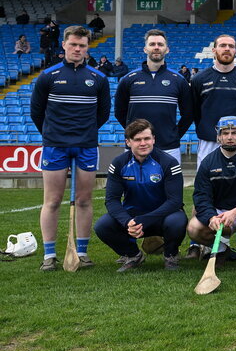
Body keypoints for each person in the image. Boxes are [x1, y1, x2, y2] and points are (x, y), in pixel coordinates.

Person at [30, 26, 111, 271]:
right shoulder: (48, 76)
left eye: (82, 45)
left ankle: (83, 252)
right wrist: (53, 135)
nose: (78, 49)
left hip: (86, 145)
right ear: (64, 45)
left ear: (88, 48)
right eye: (73, 44)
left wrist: (84, 133)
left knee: (84, 199)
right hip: (55, 146)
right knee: (52, 200)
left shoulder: (98, 78)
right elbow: (37, 112)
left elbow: (103, 114)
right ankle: (49, 255)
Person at [94, 119, 186, 271]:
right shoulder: (118, 163)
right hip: (133, 218)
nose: (143, 143)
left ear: (154, 139)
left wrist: (143, 220)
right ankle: (133, 255)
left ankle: (171, 255)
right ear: (128, 142)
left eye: (147, 138)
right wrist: (127, 222)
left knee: (177, 221)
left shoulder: (169, 162)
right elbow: (111, 200)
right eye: (137, 140)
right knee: (102, 225)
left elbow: (175, 201)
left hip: (162, 217)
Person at [186, 116, 236, 271]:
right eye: (225, 133)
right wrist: (211, 217)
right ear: (218, 136)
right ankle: (223, 251)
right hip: (218, 212)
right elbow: (201, 196)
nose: (230, 137)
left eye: (234, 132)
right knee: (193, 228)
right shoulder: (208, 162)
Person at [115, 29, 194, 164]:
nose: (156, 47)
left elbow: (188, 114)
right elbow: (119, 113)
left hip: (169, 148)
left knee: (170, 185)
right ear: (145, 49)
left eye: (160, 44)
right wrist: (135, 134)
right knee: (133, 185)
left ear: (167, 49)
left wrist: (173, 136)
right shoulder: (128, 79)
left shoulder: (178, 80)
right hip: (136, 148)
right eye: (152, 44)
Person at [190, 34, 236, 167]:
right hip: (208, 141)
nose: (227, 49)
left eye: (231, 46)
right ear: (214, 50)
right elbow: (194, 111)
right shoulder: (199, 79)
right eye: (222, 45)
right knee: (206, 183)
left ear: (235, 51)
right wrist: (208, 130)